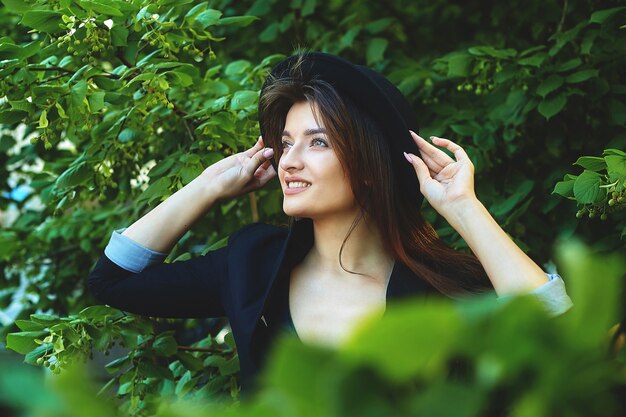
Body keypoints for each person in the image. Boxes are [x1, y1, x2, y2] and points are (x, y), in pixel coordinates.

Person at [87, 51, 572, 394]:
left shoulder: (447, 288)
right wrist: (209, 185)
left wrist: (464, 208)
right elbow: (112, 280)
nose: (289, 160)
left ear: (369, 160)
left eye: (317, 142)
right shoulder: (252, 266)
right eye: (285, 141)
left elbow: (568, 344)